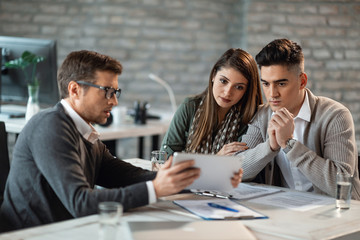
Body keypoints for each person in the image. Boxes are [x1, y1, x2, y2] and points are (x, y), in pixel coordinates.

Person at [0, 50, 243, 232]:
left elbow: (126, 176)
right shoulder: (50, 126)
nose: (114, 101)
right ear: (74, 90)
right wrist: (157, 188)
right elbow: (81, 203)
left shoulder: (85, 134)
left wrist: (197, 177)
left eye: (116, 92)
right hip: (30, 235)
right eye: (107, 91)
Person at [240, 38, 360, 199]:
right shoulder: (262, 116)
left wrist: (289, 145)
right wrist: (271, 146)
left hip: (332, 212)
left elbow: (343, 186)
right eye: (266, 84)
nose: (272, 94)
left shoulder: (335, 115)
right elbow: (237, 172)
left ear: (302, 81)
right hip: (283, 210)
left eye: (281, 84)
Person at [161, 48, 263, 157]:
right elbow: (165, 157)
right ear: (214, 75)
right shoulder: (190, 107)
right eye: (223, 81)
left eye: (239, 87)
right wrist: (217, 158)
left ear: (247, 90)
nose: (227, 92)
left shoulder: (251, 119)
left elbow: (242, 167)